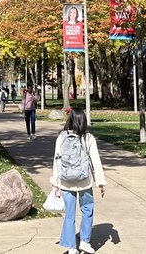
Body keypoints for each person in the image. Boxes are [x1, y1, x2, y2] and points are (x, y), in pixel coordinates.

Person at [52, 108, 106, 254]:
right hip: (84, 182)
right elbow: (96, 161)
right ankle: (85, 242)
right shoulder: (88, 138)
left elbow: (56, 161)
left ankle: (71, 247)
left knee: (69, 214)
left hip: (65, 182)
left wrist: (55, 183)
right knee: (87, 210)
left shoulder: (62, 137)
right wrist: (100, 181)